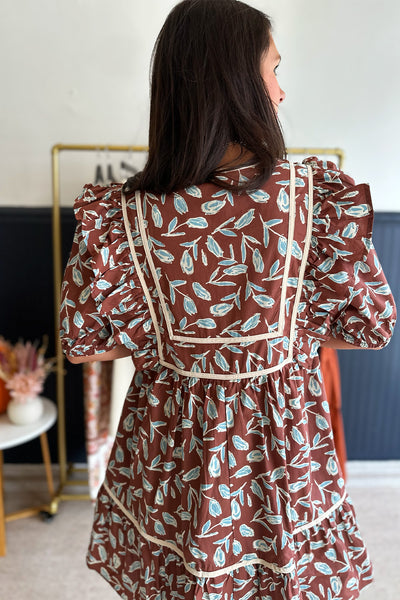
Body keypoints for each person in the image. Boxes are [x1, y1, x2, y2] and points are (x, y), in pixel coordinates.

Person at [59, 1, 396, 598]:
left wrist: (175, 341)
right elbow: (370, 326)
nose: (282, 93)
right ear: (236, 80)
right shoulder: (314, 201)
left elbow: (85, 346)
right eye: (274, 70)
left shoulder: (124, 215)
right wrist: (280, 335)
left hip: (168, 464)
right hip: (279, 460)